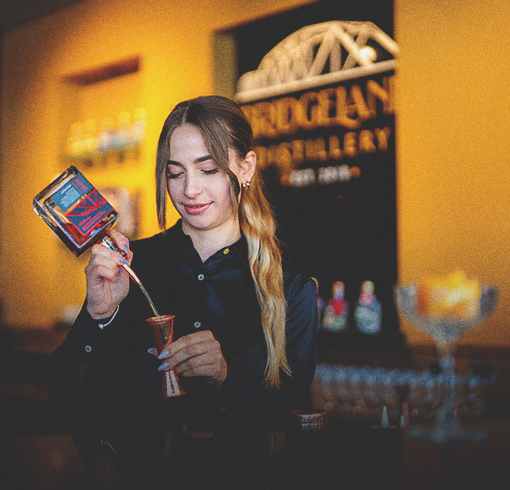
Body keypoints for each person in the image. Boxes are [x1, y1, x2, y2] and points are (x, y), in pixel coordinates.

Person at [50, 95, 318, 488]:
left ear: (245, 168)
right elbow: (65, 394)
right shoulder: (131, 266)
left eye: (207, 169)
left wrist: (227, 376)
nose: (190, 189)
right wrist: (98, 316)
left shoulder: (291, 285)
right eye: (175, 173)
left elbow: (294, 419)